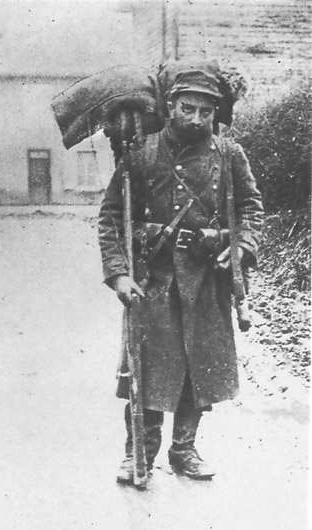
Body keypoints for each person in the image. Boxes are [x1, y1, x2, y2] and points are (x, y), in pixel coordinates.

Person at [98, 69, 263, 485]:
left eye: (205, 112)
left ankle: (184, 449)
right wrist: (119, 274)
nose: (195, 118)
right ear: (170, 107)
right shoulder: (141, 153)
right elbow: (112, 217)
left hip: (207, 278)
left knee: (198, 367)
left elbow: (251, 210)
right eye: (187, 108)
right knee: (147, 368)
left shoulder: (230, 155)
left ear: (215, 114)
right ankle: (140, 451)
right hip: (152, 280)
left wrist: (239, 246)